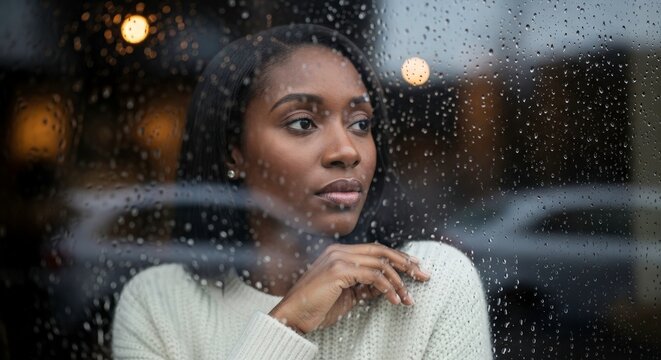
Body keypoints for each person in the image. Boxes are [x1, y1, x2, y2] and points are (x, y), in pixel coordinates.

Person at [112, 24, 492, 359]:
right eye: (303, 123)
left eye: (361, 123)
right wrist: (287, 324)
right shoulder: (159, 304)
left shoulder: (429, 282)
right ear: (234, 150)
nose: (347, 151)